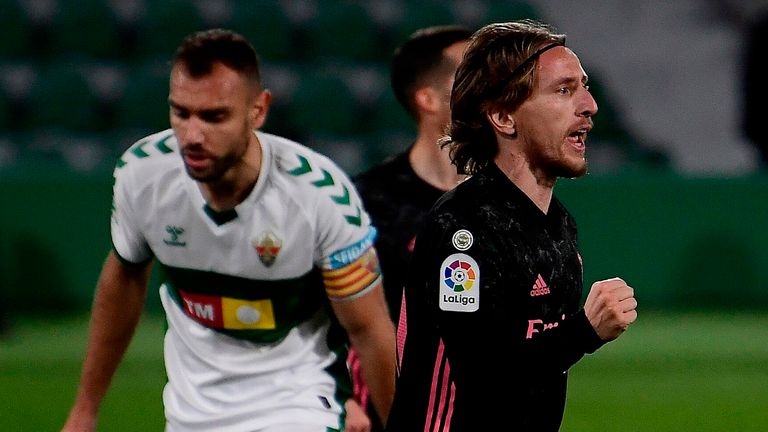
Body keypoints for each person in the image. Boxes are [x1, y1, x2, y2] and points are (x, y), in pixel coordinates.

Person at [61, 29, 395, 432]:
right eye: (181, 113)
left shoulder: (319, 196)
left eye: (214, 116)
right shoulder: (142, 175)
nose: (193, 136)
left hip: (300, 402)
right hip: (191, 413)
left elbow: (369, 328)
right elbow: (124, 276)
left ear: (258, 111)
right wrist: (84, 410)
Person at [385, 20, 639, 431]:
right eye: (563, 90)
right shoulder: (462, 227)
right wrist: (585, 331)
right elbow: (482, 375)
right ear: (504, 116)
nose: (589, 105)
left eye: (584, 86)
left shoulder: (558, 225)